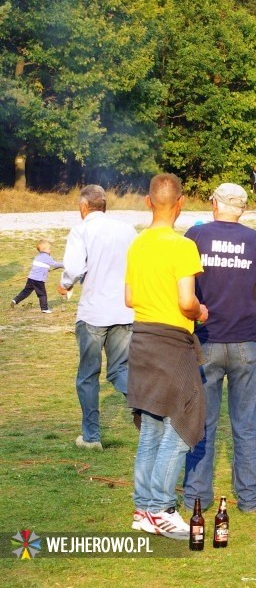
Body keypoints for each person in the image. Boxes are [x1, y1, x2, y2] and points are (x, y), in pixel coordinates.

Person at [182, 183, 256, 514]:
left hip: (205, 339)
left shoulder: (195, 237)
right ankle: (251, 499)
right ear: (244, 208)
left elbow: (183, 290)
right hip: (245, 341)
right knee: (246, 422)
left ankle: (197, 496)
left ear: (214, 204)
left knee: (200, 422)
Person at [125, 173, 207, 540]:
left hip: (141, 339)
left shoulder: (137, 244)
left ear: (147, 201)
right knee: (180, 427)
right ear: (181, 202)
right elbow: (186, 301)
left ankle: (142, 509)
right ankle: (160, 508)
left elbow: (129, 298)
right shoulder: (183, 246)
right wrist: (201, 311)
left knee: (151, 430)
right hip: (173, 342)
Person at [57, 185, 136, 451]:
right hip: (125, 310)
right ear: (105, 206)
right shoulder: (127, 230)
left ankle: (91, 437)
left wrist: (66, 284)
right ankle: (150, 411)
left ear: (83, 207)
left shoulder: (82, 230)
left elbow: (74, 267)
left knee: (88, 375)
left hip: (93, 312)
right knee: (120, 370)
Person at [12, 239, 63, 313]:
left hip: (31, 278)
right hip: (38, 280)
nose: (51, 250)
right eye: (49, 248)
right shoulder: (47, 257)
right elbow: (54, 264)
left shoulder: (37, 257)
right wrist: (65, 264)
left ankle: (15, 300)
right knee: (42, 294)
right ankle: (44, 309)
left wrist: (45, 270)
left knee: (26, 291)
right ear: (44, 249)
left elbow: (40, 267)